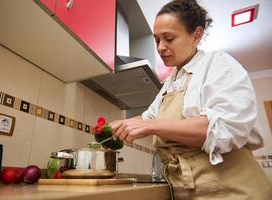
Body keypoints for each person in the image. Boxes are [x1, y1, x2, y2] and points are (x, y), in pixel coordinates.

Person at [110, 0, 272, 199]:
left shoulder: (218, 64)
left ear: (196, 35)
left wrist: (153, 126)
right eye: (157, 40)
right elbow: (146, 119)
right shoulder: (168, 85)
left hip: (235, 193)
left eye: (168, 38)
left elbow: (223, 129)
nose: (161, 47)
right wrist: (114, 127)